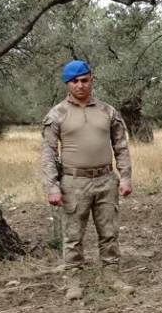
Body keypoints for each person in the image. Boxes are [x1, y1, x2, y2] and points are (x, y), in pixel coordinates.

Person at [41, 60, 136, 299]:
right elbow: (48, 154)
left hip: (106, 179)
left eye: (85, 80)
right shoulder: (57, 114)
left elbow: (121, 147)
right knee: (73, 236)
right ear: (67, 84)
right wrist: (52, 187)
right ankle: (74, 282)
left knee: (109, 232)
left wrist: (125, 177)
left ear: (91, 79)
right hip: (74, 183)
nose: (80, 85)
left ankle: (112, 276)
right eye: (75, 81)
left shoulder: (107, 111)